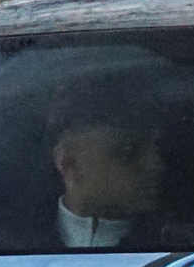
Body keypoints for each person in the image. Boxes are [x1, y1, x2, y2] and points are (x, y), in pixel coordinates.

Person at [50, 91, 167, 249]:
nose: (155, 165)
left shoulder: (184, 241)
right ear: (68, 163)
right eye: (128, 152)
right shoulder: (10, 236)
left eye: (158, 150)